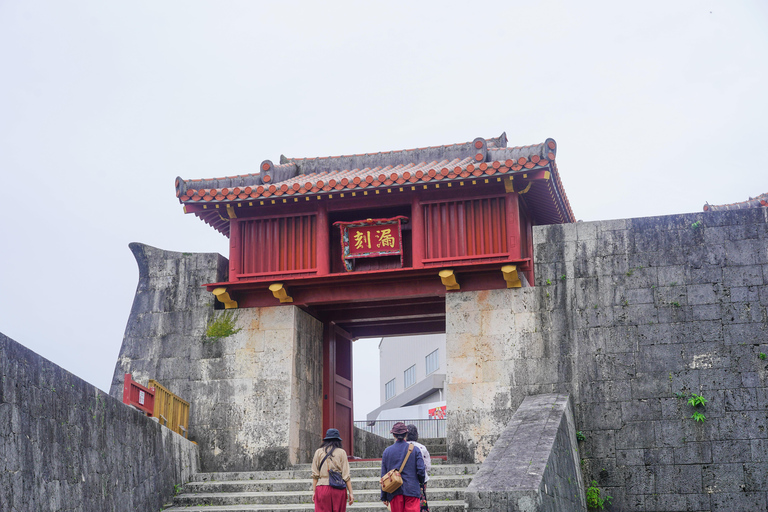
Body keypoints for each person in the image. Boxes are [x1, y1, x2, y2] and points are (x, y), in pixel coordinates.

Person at [380, 422, 425, 512]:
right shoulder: (415, 450)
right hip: (412, 490)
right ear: (406, 434)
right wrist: (420, 482)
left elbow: (384, 476)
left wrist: (384, 496)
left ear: (393, 435)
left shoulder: (387, 452)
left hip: (394, 491)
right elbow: (421, 470)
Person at [311, 428, 354, 511]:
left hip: (322, 488)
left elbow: (315, 475)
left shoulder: (318, 452)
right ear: (338, 440)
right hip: (338, 488)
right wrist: (351, 493)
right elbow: (346, 475)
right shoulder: (342, 452)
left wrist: (314, 491)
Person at [406, 424, 431, 512]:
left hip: (406, 479)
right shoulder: (422, 447)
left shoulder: (402, 447)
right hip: (421, 479)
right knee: (421, 499)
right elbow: (428, 466)